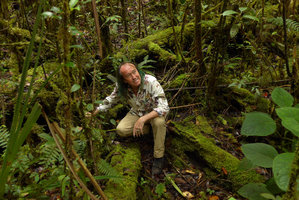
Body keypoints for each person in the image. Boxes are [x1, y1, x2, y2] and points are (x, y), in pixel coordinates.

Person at [88, 62, 169, 175]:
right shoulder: (122, 87)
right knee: (121, 130)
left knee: (159, 123)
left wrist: (142, 120)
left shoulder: (150, 81)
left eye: (134, 72)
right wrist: (94, 112)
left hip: (154, 113)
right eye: (128, 75)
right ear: (124, 80)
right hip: (137, 112)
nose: (134, 76)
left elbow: (164, 107)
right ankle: (150, 130)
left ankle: (159, 157)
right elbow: (111, 100)